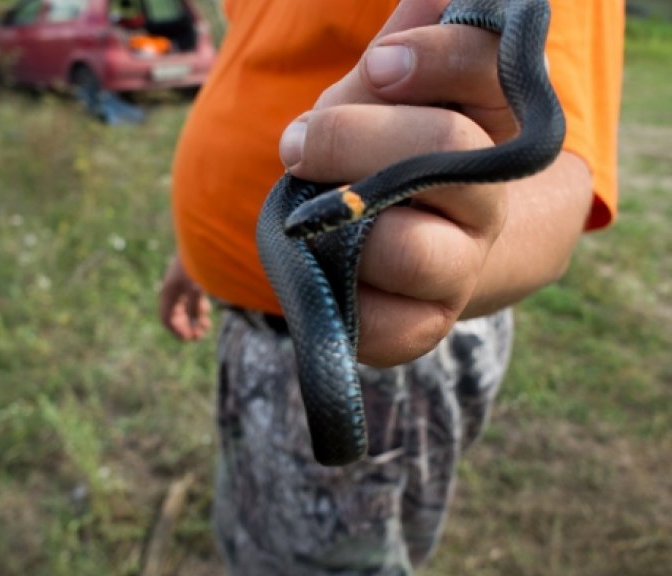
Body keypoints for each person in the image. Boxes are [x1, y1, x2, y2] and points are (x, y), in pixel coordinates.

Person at [159, 0, 624, 573]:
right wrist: (196, 248)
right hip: (254, 322)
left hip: (376, 364)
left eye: (321, 221)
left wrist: (463, 251)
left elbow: (561, 167)